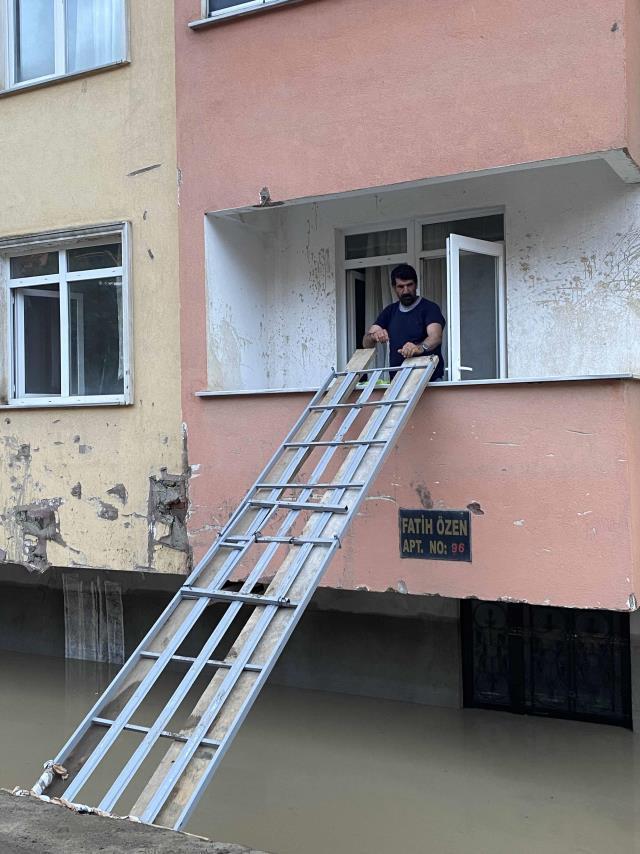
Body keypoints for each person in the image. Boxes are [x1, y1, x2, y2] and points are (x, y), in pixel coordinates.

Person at [362, 263, 446, 380]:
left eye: (409, 285)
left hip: (428, 381)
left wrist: (419, 348)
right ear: (394, 288)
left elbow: (436, 337)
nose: (406, 291)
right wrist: (374, 336)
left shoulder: (429, 308)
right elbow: (366, 343)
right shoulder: (390, 311)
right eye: (401, 287)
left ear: (416, 284)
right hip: (397, 381)